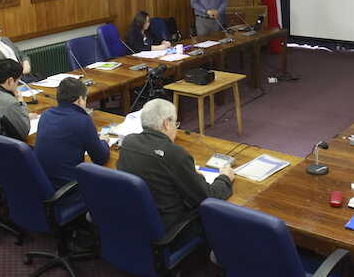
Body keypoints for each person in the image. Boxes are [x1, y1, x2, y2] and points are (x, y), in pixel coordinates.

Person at [117, 98, 234, 241]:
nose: (176, 129)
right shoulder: (175, 154)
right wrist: (225, 178)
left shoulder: (128, 142)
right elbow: (208, 196)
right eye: (175, 124)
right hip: (168, 226)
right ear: (166, 124)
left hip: (135, 216)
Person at [35, 78, 110, 189]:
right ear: (80, 100)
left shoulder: (46, 115)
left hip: (43, 184)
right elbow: (100, 158)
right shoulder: (82, 121)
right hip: (68, 188)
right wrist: (104, 141)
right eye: (85, 99)